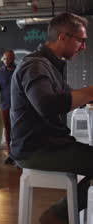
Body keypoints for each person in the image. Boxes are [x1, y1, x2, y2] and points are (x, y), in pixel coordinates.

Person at [10, 13, 93, 224]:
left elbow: (66, 97)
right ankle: (58, 214)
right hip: (35, 149)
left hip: (50, 144)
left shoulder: (51, 65)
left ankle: (60, 213)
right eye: (81, 40)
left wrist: (86, 99)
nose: (83, 46)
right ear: (63, 37)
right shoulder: (35, 65)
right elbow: (47, 105)